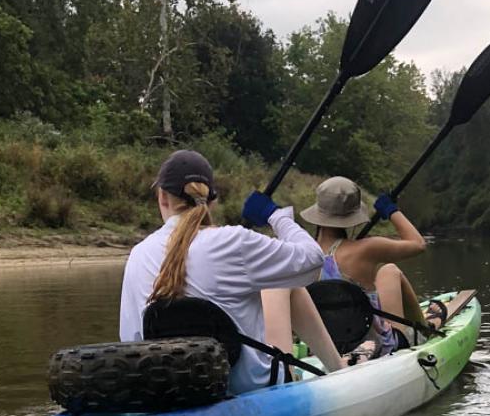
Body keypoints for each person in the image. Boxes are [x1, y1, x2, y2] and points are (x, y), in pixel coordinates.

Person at [119, 150, 345, 394]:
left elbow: (131, 338)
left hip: (170, 392)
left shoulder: (138, 254)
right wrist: (277, 217)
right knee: (284, 283)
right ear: (212, 201)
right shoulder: (234, 240)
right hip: (247, 390)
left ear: (162, 197)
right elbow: (313, 260)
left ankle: (337, 369)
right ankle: (338, 370)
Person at [300, 176, 434, 357]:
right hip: (377, 347)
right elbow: (418, 244)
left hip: (325, 347)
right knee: (389, 270)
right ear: (354, 215)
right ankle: (424, 329)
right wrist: (392, 211)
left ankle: (421, 328)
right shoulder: (367, 249)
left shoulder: (300, 253)